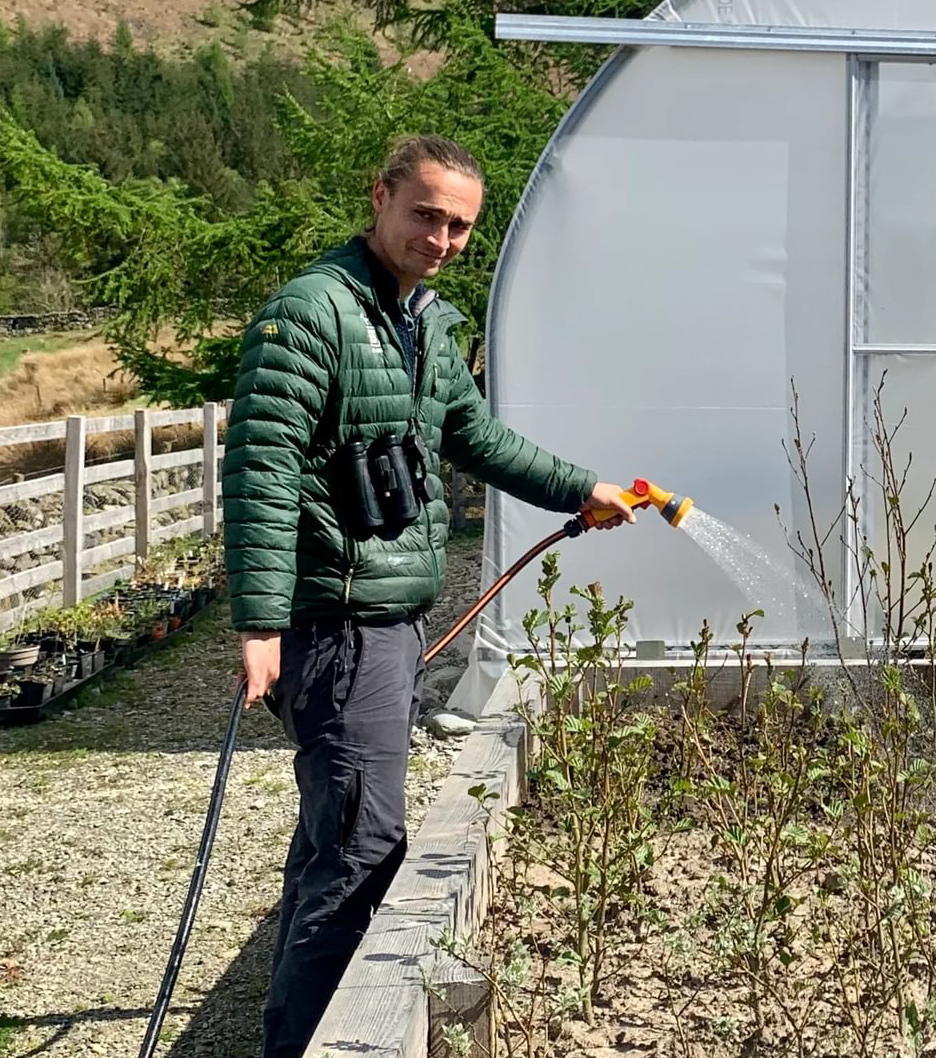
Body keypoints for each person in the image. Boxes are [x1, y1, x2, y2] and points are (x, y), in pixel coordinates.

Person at [221, 134, 638, 1058]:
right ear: (379, 198)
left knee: (337, 826)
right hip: (335, 626)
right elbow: (260, 470)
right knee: (365, 846)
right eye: (425, 213)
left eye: (458, 225)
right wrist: (258, 622)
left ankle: (289, 1023)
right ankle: (313, 1041)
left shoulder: (422, 322)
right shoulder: (311, 315)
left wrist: (582, 489)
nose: (441, 236)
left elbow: (476, 437)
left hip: (391, 624)